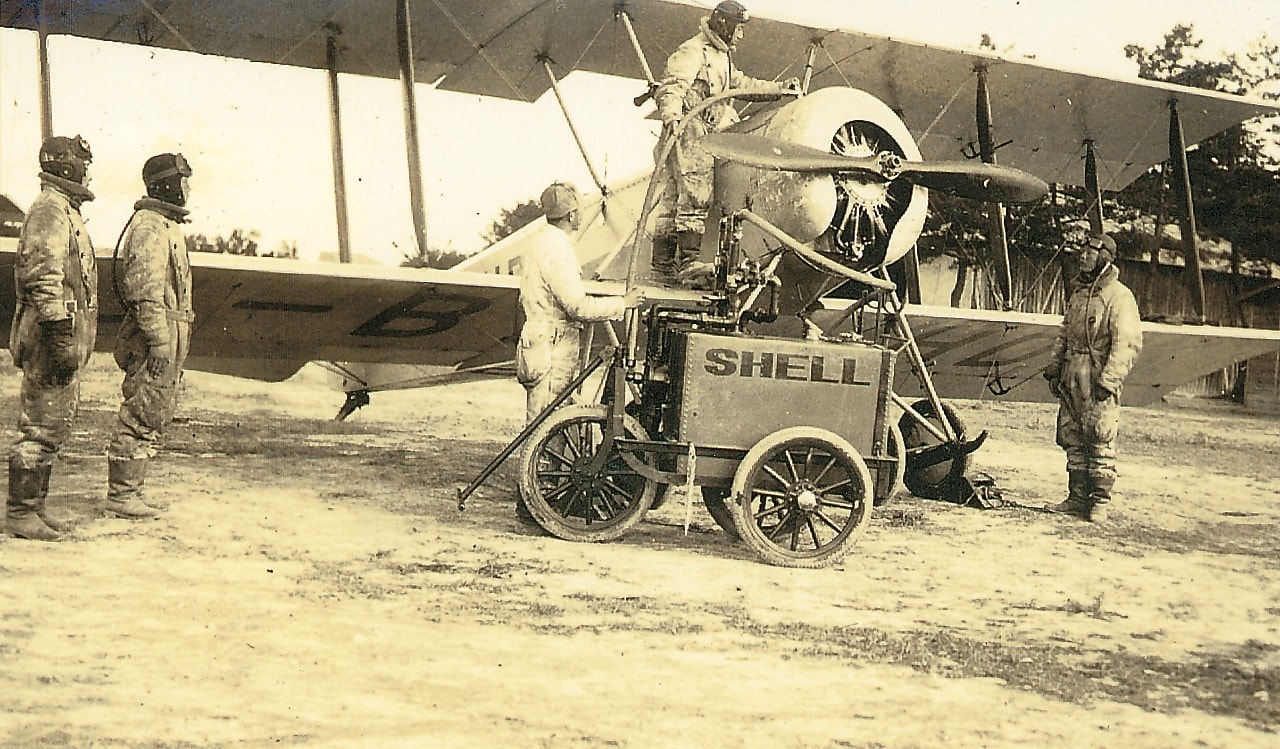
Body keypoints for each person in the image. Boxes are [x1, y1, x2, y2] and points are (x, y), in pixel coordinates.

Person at [651, 0, 796, 285]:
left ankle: (663, 267)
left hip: (699, 132)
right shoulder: (694, 50)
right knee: (695, 194)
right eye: (738, 28)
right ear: (723, 24)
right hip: (689, 132)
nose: (740, 35)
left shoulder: (721, 56)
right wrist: (671, 117)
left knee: (671, 199)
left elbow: (741, 84)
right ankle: (689, 263)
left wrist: (778, 90)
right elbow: (672, 86)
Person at [6, 135, 99, 541]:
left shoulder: (62, 209)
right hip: (48, 335)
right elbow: (43, 277)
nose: (86, 170)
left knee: (52, 426)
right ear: (65, 167)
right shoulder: (49, 210)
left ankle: (33, 509)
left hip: (56, 334)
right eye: (81, 163)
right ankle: (21, 513)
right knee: (40, 428)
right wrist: (60, 333)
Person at [104, 153, 195, 519]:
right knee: (140, 411)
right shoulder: (150, 227)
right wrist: (158, 340)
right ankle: (122, 495)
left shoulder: (163, 225)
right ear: (168, 184)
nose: (188, 189)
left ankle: (131, 492)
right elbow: (145, 291)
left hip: (170, 333)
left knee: (154, 411)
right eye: (183, 181)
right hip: (157, 337)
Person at [517, 181, 645, 425]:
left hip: (538, 339)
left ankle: (537, 462)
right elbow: (578, 307)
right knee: (549, 423)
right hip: (553, 344)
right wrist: (623, 303)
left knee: (541, 420)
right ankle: (538, 464)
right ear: (572, 214)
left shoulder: (538, 242)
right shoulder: (558, 249)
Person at [1042, 232, 1143, 523]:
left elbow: (1127, 343)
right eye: (1082, 251)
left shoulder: (1119, 297)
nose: (1082, 256)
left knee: (1100, 436)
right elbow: (1064, 333)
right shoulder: (1080, 294)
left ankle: (1099, 502)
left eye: (1089, 251)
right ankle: (1076, 499)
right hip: (1072, 374)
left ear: (1105, 257)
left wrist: (1109, 381)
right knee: (1072, 437)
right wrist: (1054, 368)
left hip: (1097, 376)